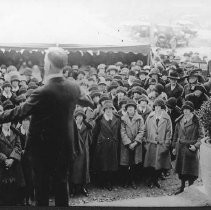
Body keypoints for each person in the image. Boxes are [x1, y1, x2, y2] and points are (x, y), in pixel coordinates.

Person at [0, 47, 94, 206]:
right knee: (61, 185)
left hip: (42, 150)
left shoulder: (41, 92)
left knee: (41, 190)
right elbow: (88, 101)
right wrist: (77, 90)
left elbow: (18, 113)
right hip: (65, 148)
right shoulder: (73, 87)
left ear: (48, 65)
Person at [172, 101, 204, 195]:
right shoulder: (179, 120)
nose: (185, 111)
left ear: (191, 110)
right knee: (181, 169)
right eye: (184, 109)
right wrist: (174, 147)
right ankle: (182, 187)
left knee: (190, 170)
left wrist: (196, 146)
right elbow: (175, 134)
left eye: (188, 109)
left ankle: (190, 188)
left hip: (191, 148)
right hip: (180, 148)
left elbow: (201, 136)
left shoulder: (196, 121)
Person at [92, 100, 121, 191]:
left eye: (110, 108)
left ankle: (110, 182)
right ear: (104, 110)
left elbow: (119, 133)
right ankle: (103, 182)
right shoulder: (100, 120)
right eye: (106, 109)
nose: (108, 110)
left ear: (113, 109)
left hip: (113, 144)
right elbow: (95, 133)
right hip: (102, 145)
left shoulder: (117, 119)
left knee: (112, 164)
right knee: (103, 164)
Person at [144, 99, 172, 188]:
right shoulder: (150, 116)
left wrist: (166, 144)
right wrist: (145, 142)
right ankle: (150, 180)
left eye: (159, 107)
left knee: (160, 164)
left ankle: (156, 180)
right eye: (155, 107)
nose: (157, 109)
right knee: (151, 164)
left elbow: (169, 132)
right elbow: (145, 129)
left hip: (161, 144)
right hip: (151, 143)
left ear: (162, 108)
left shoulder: (167, 118)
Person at [120, 99, 145, 189]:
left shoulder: (140, 118)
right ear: (126, 109)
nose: (130, 109)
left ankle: (133, 180)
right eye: (128, 108)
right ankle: (126, 180)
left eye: (132, 107)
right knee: (126, 164)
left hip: (136, 144)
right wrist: (128, 143)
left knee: (134, 164)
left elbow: (142, 131)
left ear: (135, 109)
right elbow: (122, 132)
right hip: (126, 145)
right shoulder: (123, 119)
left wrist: (135, 143)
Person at [69, 108, 92, 197]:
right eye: (78, 116)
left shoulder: (86, 127)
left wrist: (86, 122)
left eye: (81, 116)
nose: (79, 118)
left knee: (84, 170)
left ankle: (83, 188)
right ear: (75, 117)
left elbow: (90, 137)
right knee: (75, 170)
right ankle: (73, 189)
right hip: (76, 151)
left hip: (84, 152)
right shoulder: (72, 127)